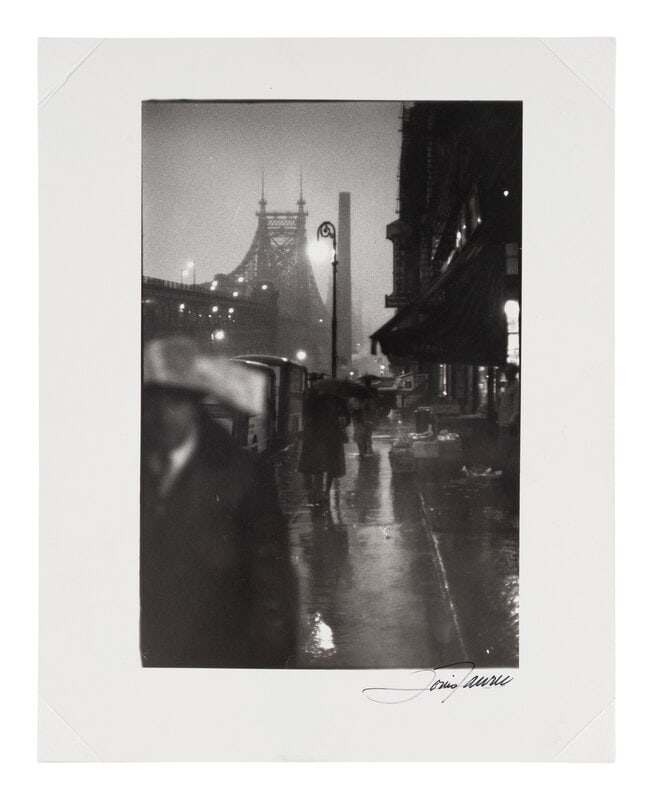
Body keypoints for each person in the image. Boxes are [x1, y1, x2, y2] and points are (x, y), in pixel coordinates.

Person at [140, 336, 297, 668]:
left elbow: (272, 578)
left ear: (194, 406)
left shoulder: (242, 477)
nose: (163, 416)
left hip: (222, 654)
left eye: (175, 403)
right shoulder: (135, 470)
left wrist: (269, 660)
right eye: (153, 404)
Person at [298, 388, 350, 505]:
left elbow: (308, 416)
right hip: (326, 437)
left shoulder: (316, 399)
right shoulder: (337, 401)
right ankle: (322, 493)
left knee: (322, 465)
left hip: (323, 437)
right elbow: (346, 420)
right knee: (325, 465)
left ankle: (320, 493)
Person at [496, 363, 520, 472]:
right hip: (503, 421)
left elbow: (516, 406)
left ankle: (508, 470)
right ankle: (504, 468)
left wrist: (512, 421)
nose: (506, 374)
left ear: (513, 373)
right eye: (505, 372)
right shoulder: (508, 385)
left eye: (508, 372)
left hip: (510, 423)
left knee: (508, 447)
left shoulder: (517, 386)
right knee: (503, 447)